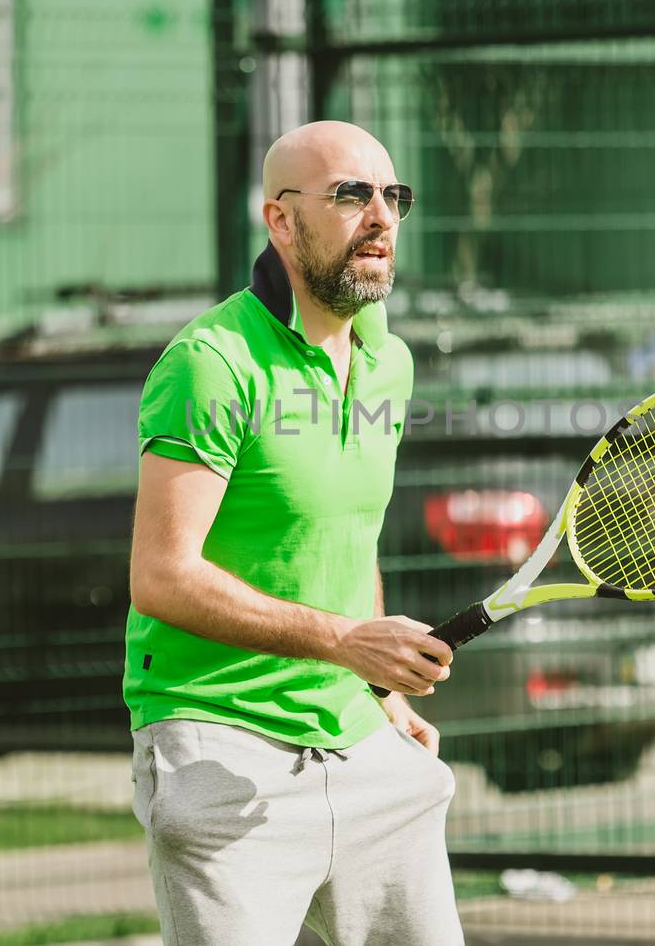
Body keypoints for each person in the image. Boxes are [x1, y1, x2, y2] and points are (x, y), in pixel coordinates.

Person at [125, 120, 465, 945]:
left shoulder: (391, 363)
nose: (380, 216)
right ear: (281, 220)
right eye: (351, 195)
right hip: (220, 743)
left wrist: (380, 688)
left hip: (361, 745)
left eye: (394, 196)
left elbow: (351, 535)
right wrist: (348, 641)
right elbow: (163, 575)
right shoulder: (211, 361)